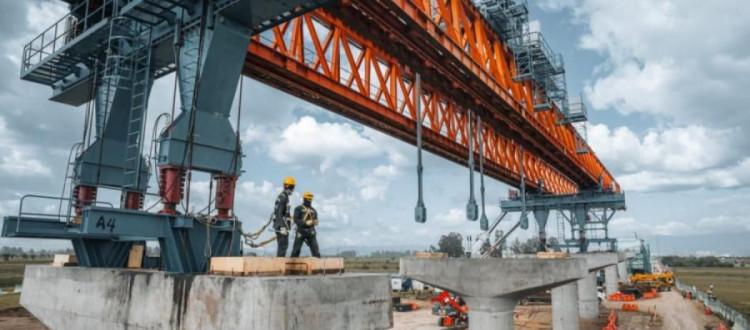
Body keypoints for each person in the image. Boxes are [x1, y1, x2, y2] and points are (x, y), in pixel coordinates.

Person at [291, 192, 321, 258]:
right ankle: (292, 265)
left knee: (315, 250)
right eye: (308, 199)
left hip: (311, 231)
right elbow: (295, 219)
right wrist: (305, 223)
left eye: (310, 200)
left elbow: (316, 219)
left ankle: (318, 265)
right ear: (304, 199)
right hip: (301, 231)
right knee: (296, 250)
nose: (309, 201)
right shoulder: (298, 209)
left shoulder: (313, 210)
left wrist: (315, 222)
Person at [273, 176, 295, 257]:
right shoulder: (283, 198)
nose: (293, 190)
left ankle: (279, 265)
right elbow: (279, 213)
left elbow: (283, 213)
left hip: (280, 225)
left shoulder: (282, 196)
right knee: (283, 247)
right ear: (288, 186)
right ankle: (279, 266)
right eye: (292, 187)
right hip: (281, 227)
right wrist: (282, 227)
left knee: (283, 247)